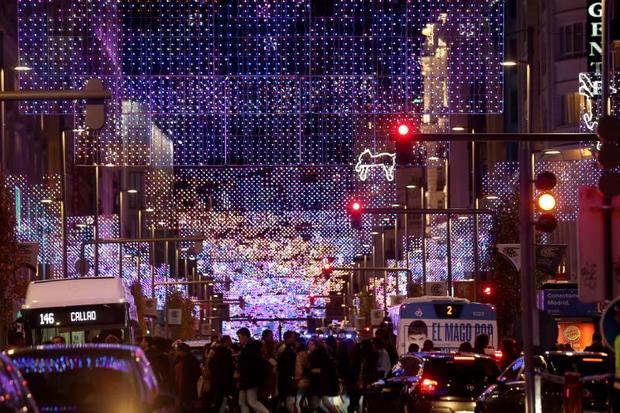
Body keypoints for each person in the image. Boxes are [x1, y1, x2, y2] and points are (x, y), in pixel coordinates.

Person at [236, 327, 270, 413]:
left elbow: (250, 365)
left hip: (250, 379)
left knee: (251, 401)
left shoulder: (251, 348)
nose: (239, 339)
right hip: (247, 379)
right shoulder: (247, 347)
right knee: (243, 401)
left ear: (245, 336)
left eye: (239, 337)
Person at [206, 336, 235, 413]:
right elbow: (228, 368)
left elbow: (210, 364)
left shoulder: (214, 352)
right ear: (226, 342)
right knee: (224, 400)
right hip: (225, 381)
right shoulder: (227, 352)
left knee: (217, 401)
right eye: (229, 341)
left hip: (215, 380)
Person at [174, 342, 202, 413]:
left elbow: (193, 376)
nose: (176, 352)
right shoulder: (181, 360)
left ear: (182, 351)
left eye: (177, 350)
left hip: (188, 392)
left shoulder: (190, 361)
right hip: (184, 392)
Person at [277, 331, 298, 412]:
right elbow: (285, 365)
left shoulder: (285, 348)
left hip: (285, 377)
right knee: (288, 398)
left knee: (286, 399)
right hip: (286, 377)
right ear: (288, 338)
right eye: (293, 337)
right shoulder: (285, 349)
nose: (294, 339)